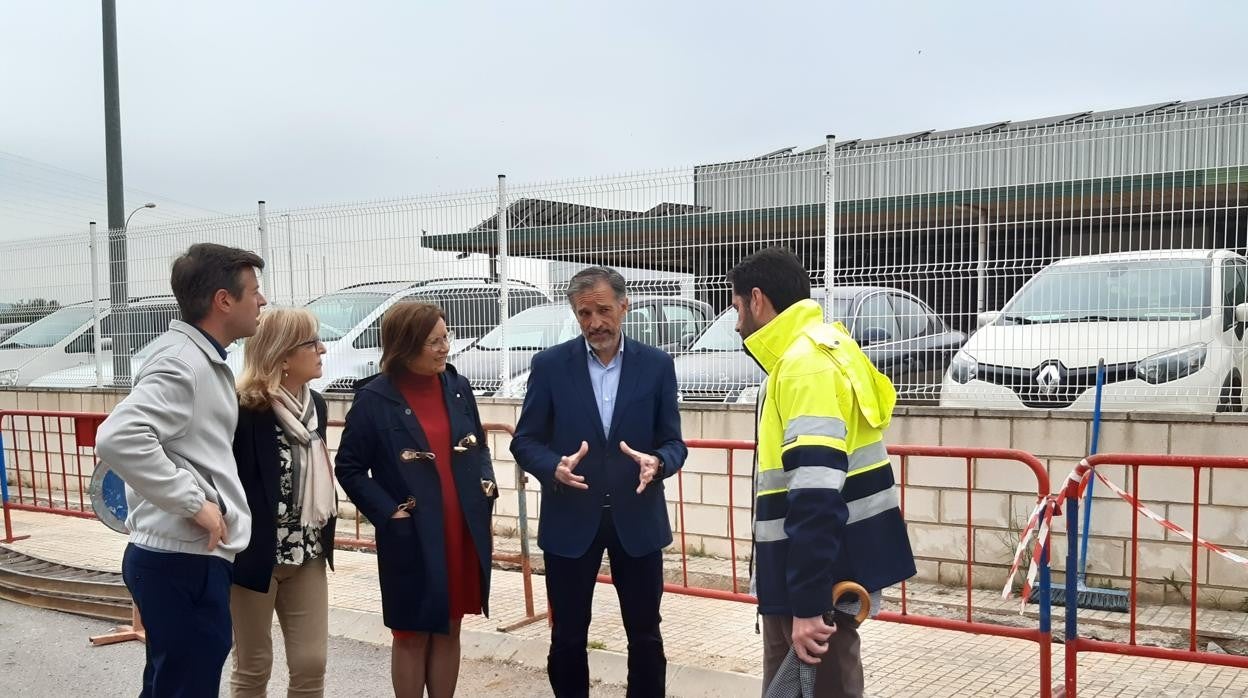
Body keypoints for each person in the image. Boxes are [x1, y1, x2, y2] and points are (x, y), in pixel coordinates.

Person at [727, 247, 916, 698]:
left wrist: (808, 603)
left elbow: (815, 493)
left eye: (736, 309)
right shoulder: (829, 347)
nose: (736, 324)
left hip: (814, 584)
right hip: (834, 569)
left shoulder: (802, 366)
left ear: (757, 300)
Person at [95, 243, 267, 697]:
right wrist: (196, 503)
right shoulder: (182, 362)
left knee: (173, 683)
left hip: (181, 555)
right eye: (254, 291)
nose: (262, 301)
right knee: (185, 686)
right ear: (223, 300)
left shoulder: (194, 357)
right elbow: (117, 438)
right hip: (181, 558)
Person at [510, 266, 688, 698]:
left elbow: (673, 443)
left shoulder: (657, 366)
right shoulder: (550, 366)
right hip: (570, 520)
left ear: (625, 307)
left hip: (638, 519)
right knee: (568, 636)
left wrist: (658, 463)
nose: (595, 323)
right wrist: (552, 466)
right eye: (584, 313)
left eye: (603, 310)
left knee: (646, 635)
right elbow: (525, 440)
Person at [334, 301, 497, 698]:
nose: (445, 348)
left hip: (460, 531)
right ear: (406, 346)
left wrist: (486, 489)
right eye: (434, 341)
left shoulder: (457, 387)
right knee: (410, 633)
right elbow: (349, 467)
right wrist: (391, 514)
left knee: (450, 626)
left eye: (446, 337)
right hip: (412, 534)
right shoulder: (374, 398)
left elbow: (478, 446)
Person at [230, 307, 338, 697]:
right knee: (254, 665)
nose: (322, 349)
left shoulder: (316, 407)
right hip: (254, 554)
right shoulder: (244, 410)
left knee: (312, 664)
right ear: (283, 355)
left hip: (307, 552)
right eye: (312, 343)